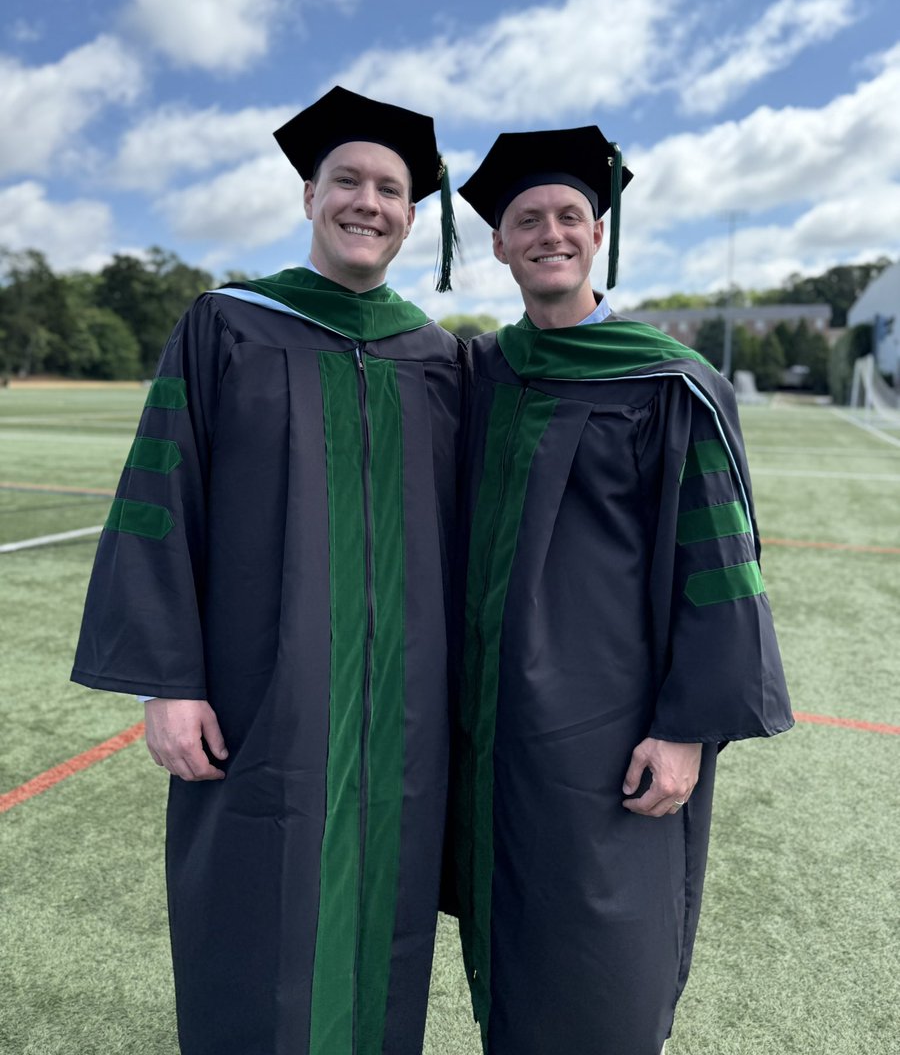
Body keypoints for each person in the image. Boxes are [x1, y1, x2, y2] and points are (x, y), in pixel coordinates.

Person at [71, 86, 463, 1055]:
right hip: (260, 703)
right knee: (254, 927)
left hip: (402, 718)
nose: (367, 202)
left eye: (390, 189)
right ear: (308, 196)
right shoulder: (227, 327)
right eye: (347, 182)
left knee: (382, 935)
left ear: (412, 217)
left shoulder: (439, 358)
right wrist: (168, 684)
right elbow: (162, 497)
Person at [452, 126, 793, 1055]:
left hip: (615, 725)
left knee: (608, 948)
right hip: (495, 723)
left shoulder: (669, 384)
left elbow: (721, 565)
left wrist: (687, 730)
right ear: (499, 244)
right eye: (527, 220)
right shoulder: (482, 373)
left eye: (569, 215)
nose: (550, 233)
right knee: (511, 934)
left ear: (598, 234)